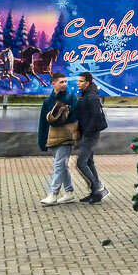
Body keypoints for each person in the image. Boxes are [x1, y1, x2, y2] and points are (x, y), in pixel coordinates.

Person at [37, 74, 81, 205]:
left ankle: (53, 193)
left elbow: (75, 116)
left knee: (59, 165)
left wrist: (67, 111)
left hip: (66, 137)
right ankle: (69, 192)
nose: (65, 84)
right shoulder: (47, 102)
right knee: (62, 166)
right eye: (61, 82)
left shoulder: (71, 98)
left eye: (66, 81)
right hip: (53, 138)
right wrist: (42, 141)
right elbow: (43, 123)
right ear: (53, 84)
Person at [74, 71, 110, 203]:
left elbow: (96, 115)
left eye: (81, 81)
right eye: (78, 81)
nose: (78, 83)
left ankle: (98, 188)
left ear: (88, 83)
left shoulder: (91, 97)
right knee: (89, 162)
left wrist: (88, 131)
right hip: (86, 133)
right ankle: (95, 192)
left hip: (90, 134)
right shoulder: (86, 95)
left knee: (81, 163)